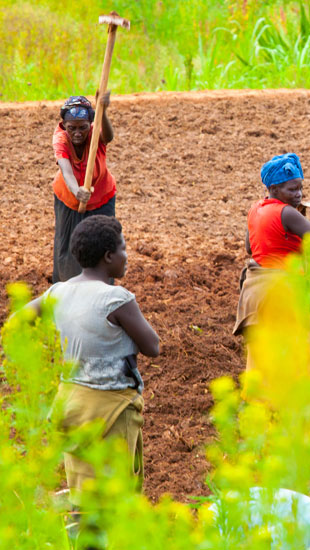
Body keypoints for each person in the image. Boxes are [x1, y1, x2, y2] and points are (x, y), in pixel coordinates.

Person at [24, 216, 158, 512]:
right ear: (109, 256)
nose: (126, 256)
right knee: (116, 496)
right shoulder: (117, 299)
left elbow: (18, 321)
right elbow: (153, 346)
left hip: (72, 402)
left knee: (82, 488)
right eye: (123, 249)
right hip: (112, 406)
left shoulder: (58, 292)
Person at [233, 153, 310, 372]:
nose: (299, 194)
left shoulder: (255, 208)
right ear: (274, 189)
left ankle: (259, 401)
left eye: (300, 188)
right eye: (292, 190)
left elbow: (250, 248)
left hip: (256, 291)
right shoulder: (286, 212)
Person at [51, 94, 118, 283]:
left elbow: (109, 136)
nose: (78, 133)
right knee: (68, 246)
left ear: (91, 124)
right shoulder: (60, 138)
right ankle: (66, 289)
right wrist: (76, 190)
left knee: (103, 244)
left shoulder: (97, 133)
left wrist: (102, 111)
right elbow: (66, 169)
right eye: (72, 128)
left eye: (83, 127)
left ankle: (101, 289)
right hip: (69, 199)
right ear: (64, 126)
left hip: (102, 197)